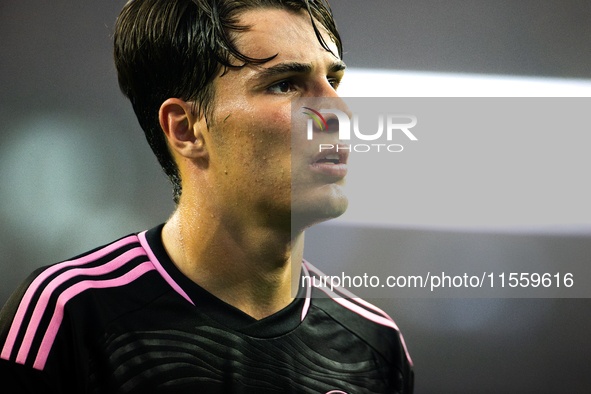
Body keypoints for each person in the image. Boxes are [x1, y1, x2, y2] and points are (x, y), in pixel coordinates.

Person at [0, 0, 413, 392]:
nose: (338, 112)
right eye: (285, 84)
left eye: (334, 81)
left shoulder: (375, 346)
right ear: (185, 128)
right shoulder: (69, 315)